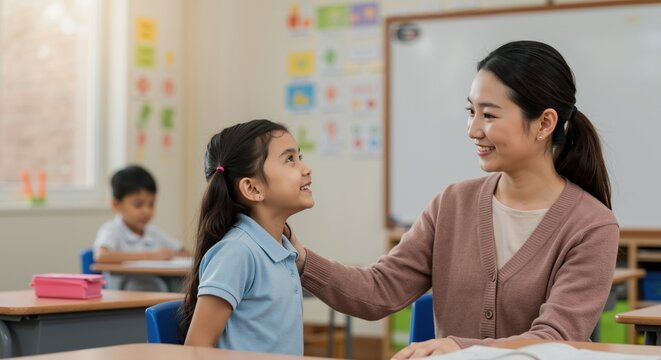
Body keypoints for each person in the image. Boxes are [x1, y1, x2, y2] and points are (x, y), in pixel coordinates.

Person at [290, 40, 619, 358]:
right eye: (470, 111)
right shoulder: (452, 203)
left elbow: (554, 339)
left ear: (544, 123)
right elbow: (379, 290)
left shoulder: (592, 226)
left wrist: (462, 348)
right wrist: (299, 256)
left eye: (489, 115)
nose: (473, 129)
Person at [179, 119, 313, 355]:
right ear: (252, 189)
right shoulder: (237, 252)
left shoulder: (283, 247)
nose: (305, 168)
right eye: (290, 159)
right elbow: (197, 348)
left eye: (299, 157)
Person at [93, 165, 190, 288]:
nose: (146, 211)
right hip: (125, 289)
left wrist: (168, 256)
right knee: (151, 286)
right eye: (138, 205)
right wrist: (151, 256)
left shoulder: (153, 233)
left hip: (155, 283)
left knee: (182, 285)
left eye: (151, 204)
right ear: (116, 204)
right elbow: (102, 256)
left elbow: (185, 253)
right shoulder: (111, 230)